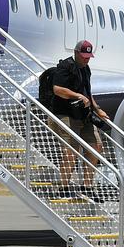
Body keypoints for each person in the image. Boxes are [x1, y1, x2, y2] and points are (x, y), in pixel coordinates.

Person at [50, 40, 108, 197]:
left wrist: (98, 109)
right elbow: (57, 90)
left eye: (89, 57)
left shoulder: (86, 69)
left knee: (95, 146)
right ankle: (63, 187)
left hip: (84, 115)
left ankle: (87, 187)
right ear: (75, 53)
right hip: (66, 114)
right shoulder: (65, 67)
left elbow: (88, 93)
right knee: (72, 150)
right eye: (84, 56)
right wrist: (77, 96)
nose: (86, 59)